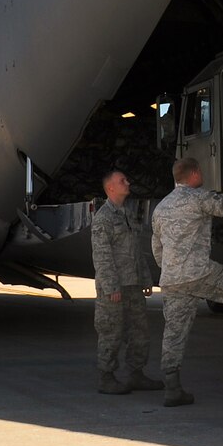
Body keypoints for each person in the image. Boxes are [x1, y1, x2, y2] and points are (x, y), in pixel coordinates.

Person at [150, 157, 223, 407]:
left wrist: (171, 270)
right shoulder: (198, 197)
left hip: (171, 279)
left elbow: (157, 247)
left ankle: (172, 388)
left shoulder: (161, 207)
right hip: (197, 272)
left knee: (174, 332)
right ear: (194, 175)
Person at [90, 168, 160, 394]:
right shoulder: (103, 219)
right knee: (111, 331)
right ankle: (106, 377)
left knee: (139, 331)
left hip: (133, 284)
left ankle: (136, 374)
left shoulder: (128, 214)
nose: (127, 183)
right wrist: (111, 287)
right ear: (110, 188)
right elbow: (102, 256)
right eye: (122, 181)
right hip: (115, 288)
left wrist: (146, 278)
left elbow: (137, 251)